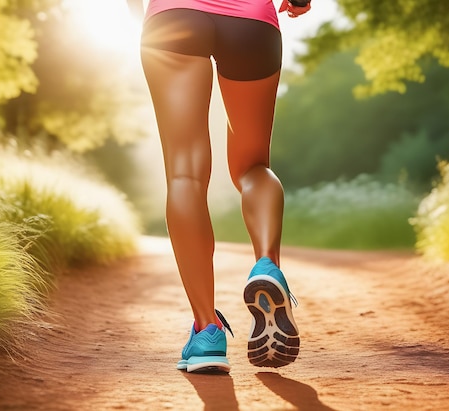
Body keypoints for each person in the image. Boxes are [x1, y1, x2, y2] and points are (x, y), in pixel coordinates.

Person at [127, 0, 311, 373]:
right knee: (253, 167)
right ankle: (267, 266)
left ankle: (207, 331)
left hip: (172, 17)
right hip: (252, 23)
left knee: (185, 175)